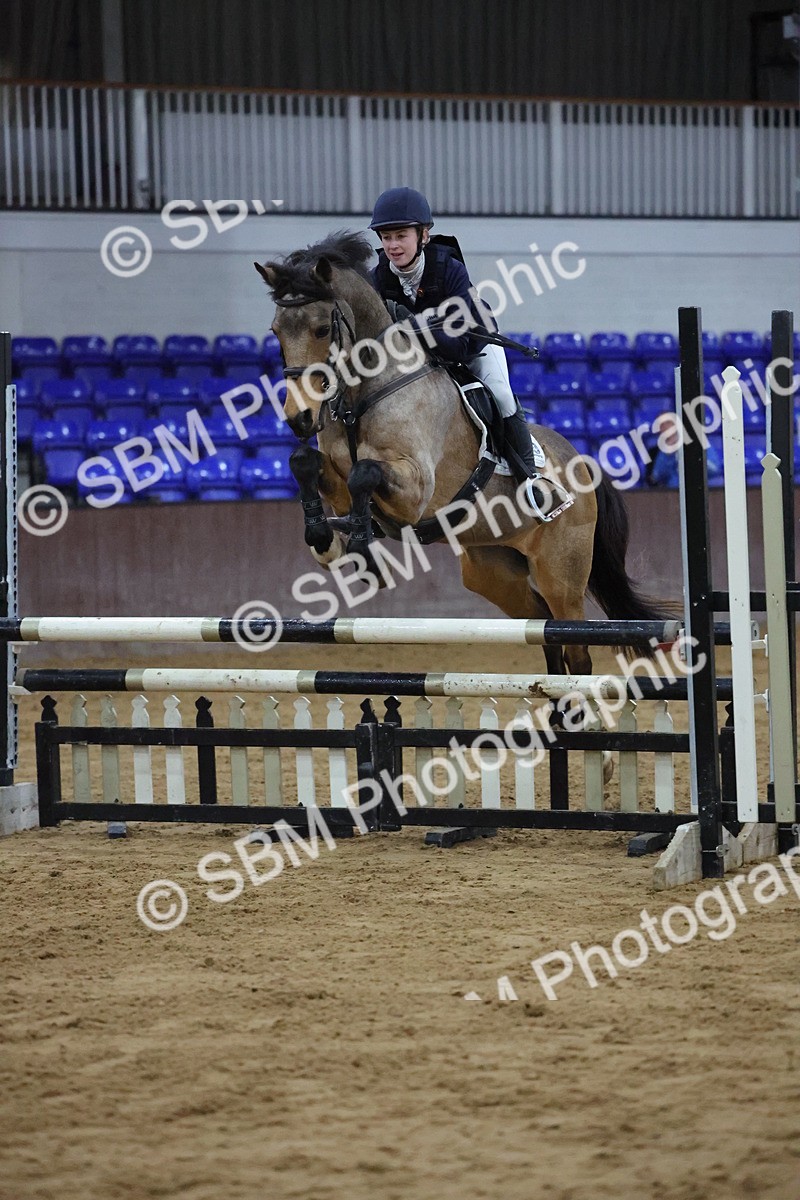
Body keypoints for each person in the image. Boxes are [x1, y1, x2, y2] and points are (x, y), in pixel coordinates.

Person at [368, 186, 547, 514]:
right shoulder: (377, 279)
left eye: (401, 235)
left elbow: (459, 344)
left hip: (472, 345)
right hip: (420, 359)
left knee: (502, 395)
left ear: (423, 235)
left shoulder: (447, 268)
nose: (392, 245)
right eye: (386, 237)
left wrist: (412, 328)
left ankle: (529, 478)